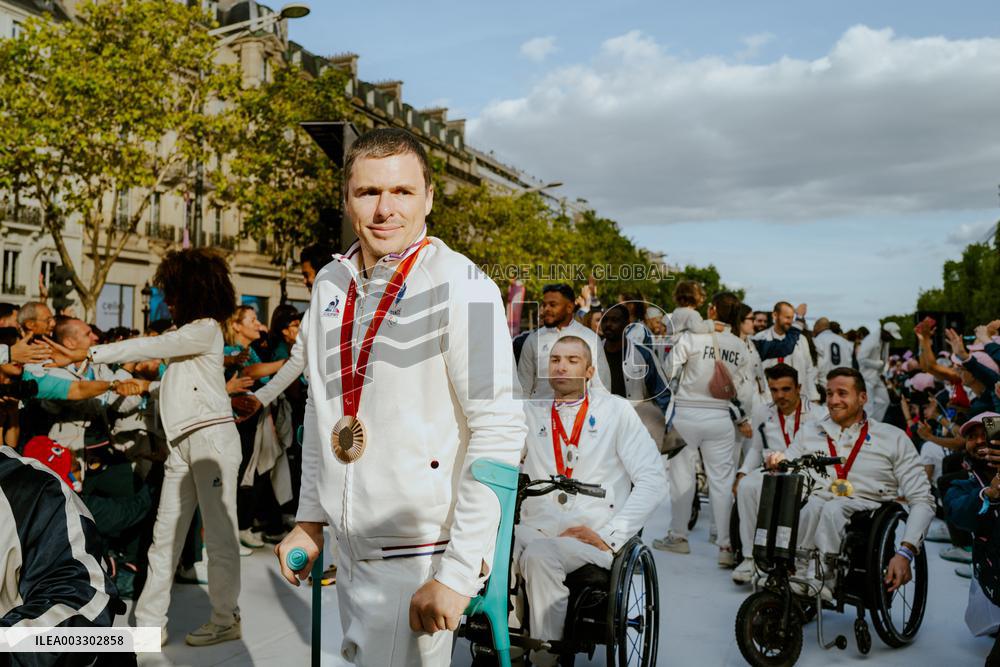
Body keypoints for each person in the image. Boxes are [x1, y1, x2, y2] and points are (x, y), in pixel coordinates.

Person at [274, 127, 526, 665]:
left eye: (403, 192)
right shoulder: (329, 284)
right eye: (368, 193)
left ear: (429, 197)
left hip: (420, 557)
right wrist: (311, 519)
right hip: (351, 550)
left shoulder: (467, 284)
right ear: (347, 200)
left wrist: (458, 574)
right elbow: (323, 410)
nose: (385, 208)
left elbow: (501, 430)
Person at [49, 248, 244, 647]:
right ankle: (150, 627)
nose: (168, 300)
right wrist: (151, 386)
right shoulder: (193, 338)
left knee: (221, 537)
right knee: (163, 538)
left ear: (192, 290)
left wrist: (90, 352)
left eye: (172, 292)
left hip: (210, 442)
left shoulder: (204, 328)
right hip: (184, 446)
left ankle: (226, 618)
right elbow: (183, 381)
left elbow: (150, 348)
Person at [516, 336, 666, 666]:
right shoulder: (529, 411)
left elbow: (653, 479)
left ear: (589, 370)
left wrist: (613, 535)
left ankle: (545, 656)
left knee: (540, 556)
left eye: (571, 360)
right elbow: (506, 460)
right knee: (499, 552)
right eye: (555, 359)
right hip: (535, 526)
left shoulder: (615, 411)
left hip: (592, 536)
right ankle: (509, 647)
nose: (561, 366)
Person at [766, 368, 934, 601]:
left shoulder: (892, 437)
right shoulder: (811, 431)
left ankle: (826, 575)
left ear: (862, 398)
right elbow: (790, 464)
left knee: (833, 509)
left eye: (842, 393)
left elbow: (922, 500)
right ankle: (798, 570)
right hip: (819, 500)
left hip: (867, 506)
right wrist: (779, 461)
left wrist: (905, 551)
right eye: (829, 393)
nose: (834, 400)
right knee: (811, 504)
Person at [0, 445, 126, 664]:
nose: (76, 475)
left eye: (75, 469)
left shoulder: (35, 491)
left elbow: (82, 602)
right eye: (72, 469)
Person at [654, 291, 753, 566]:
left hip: (686, 414)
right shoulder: (740, 345)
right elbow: (743, 392)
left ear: (711, 311)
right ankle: (724, 545)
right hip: (721, 418)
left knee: (681, 480)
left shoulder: (692, 338)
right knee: (721, 482)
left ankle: (678, 537)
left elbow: (667, 369)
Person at [732, 364, 823, 583]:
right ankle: (750, 557)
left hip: (805, 472)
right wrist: (743, 472)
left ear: (799, 387)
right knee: (746, 487)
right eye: (774, 390)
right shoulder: (763, 410)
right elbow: (755, 448)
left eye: (786, 389)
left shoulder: (818, 414)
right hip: (772, 470)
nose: (779, 396)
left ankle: (800, 562)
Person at [943, 412, 1000, 665]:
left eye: (986, 434)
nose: (978, 441)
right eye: (972, 436)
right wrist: (990, 493)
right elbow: (958, 514)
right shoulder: (961, 484)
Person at [517, 283, 612, 400]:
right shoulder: (533, 340)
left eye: (553, 305)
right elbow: (522, 388)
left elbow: (601, 388)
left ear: (569, 308)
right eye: (544, 304)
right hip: (540, 414)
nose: (546, 309)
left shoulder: (589, 338)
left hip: (581, 414)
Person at [753, 301, 819, 404]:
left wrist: (814, 396)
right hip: (769, 399)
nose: (790, 322)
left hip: (798, 398)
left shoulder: (801, 339)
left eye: (792, 318)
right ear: (775, 315)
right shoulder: (760, 338)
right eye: (787, 318)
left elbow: (809, 369)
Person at [856, 321, 901, 420]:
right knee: (868, 406)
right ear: (886, 332)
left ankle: (874, 425)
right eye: (891, 336)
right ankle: (866, 430)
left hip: (877, 377)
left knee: (885, 401)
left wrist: (882, 372)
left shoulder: (885, 341)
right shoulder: (871, 340)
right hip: (866, 378)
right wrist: (876, 364)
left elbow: (884, 358)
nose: (892, 339)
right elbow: (861, 358)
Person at [813, 317, 854, 391]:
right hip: (844, 385)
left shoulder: (816, 341)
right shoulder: (846, 342)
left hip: (825, 386)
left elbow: (816, 366)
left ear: (817, 327)